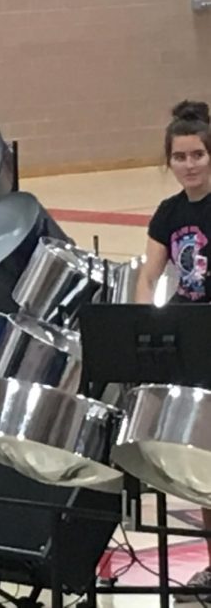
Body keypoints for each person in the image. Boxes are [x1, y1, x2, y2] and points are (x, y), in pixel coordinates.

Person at [136, 100, 211, 604]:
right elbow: (149, 274)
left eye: (198, 154)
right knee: (205, 462)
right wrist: (147, 319)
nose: (190, 164)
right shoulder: (169, 213)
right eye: (180, 156)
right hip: (190, 340)